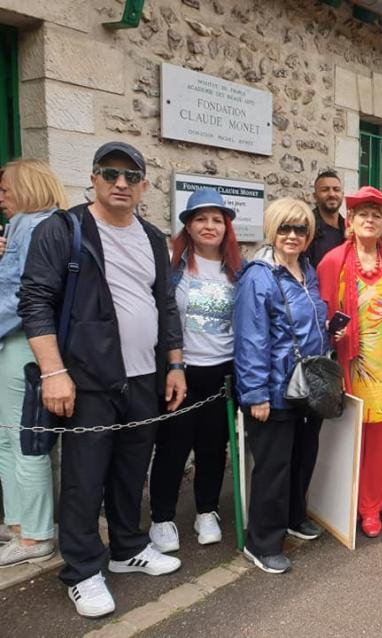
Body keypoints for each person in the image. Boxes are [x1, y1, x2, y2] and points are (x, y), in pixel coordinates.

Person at [18, 142, 186, 617]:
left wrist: (175, 364)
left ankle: (127, 547)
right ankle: (82, 571)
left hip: (144, 375)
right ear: (93, 179)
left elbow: (164, 303)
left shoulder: (152, 237)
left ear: (144, 186)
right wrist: (54, 372)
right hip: (87, 377)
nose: (120, 183)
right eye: (110, 173)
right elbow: (35, 301)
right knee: (84, 479)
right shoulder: (64, 229)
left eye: (131, 176)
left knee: (132, 470)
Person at [317, 186, 382, 538]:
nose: (369, 220)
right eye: (362, 214)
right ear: (350, 220)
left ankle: (371, 508)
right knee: (346, 439)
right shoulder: (333, 261)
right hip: (348, 365)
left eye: (376, 215)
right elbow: (319, 314)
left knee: (380, 446)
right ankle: (340, 504)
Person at [234, 197, 330, 573]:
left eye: (300, 229)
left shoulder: (307, 269)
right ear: (272, 231)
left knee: (302, 458)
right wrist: (255, 394)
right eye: (285, 228)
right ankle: (262, 542)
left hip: (308, 387)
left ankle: (294, 517)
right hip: (274, 390)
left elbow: (307, 323)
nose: (292, 235)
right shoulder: (259, 276)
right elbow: (251, 339)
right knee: (273, 468)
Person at [148, 189, 242, 555]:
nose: (209, 226)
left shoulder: (238, 271)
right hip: (181, 373)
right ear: (188, 226)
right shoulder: (173, 271)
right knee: (172, 447)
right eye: (201, 219)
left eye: (217, 220)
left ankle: (207, 511)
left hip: (222, 373)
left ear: (226, 227)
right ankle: (161, 517)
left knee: (212, 447)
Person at [0, 159, 67, 567]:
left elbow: (22, 296)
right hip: (19, 343)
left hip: (24, 343)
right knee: (11, 437)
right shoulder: (34, 226)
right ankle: (19, 526)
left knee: (22, 439)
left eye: (5, 189)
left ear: (27, 188)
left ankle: (34, 535)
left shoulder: (32, 225)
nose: (1, 198)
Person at [305, 168, 345, 267]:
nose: (332, 194)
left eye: (336, 189)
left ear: (342, 195)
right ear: (315, 196)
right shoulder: (306, 228)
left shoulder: (349, 228)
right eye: (325, 190)